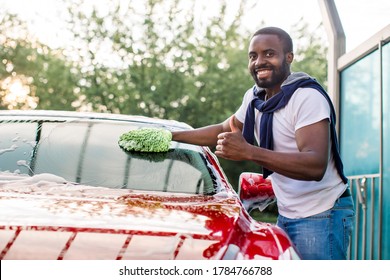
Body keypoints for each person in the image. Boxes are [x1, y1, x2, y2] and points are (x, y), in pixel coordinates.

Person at [172, 26, 355, 260]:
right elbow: (221, 130)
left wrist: (249, 151)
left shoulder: (306, 97)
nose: (260, 62)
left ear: (289, 57)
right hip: (288, 212)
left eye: (269, 54)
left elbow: (314, 165)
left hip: (322, 212)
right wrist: (172, 136)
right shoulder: (255, 97)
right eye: (253, 56)